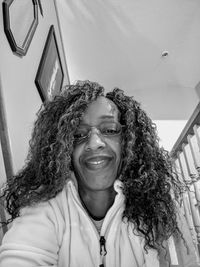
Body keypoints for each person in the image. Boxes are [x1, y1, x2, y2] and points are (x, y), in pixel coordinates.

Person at [0, 80, 198, 267]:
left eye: (110, 130)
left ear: (128, 142)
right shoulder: (47, 207)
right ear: (63, 149)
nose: (95, 143)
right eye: (78, 134)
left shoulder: (157, 206)